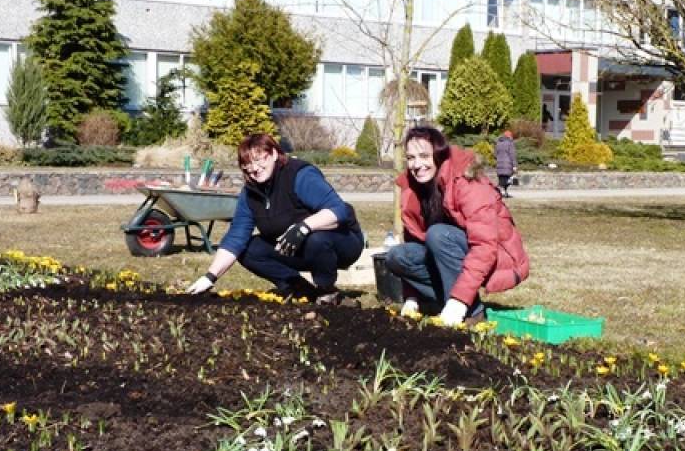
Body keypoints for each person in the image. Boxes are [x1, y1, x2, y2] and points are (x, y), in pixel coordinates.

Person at [186, 133, 363, 302]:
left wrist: (303, 227)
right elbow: (235, 238)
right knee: (248, 249)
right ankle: (299, 288)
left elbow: (339, 210)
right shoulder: (250, 193)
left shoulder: (300, 175)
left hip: (343, 242)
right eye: (248, 164)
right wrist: (209, 277)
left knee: (316, 239)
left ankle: (327, 290)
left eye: (259, 159)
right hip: (295, 248)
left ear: (274, 154)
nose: (254, 168)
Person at [385, 125, 529, 326]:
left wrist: (459, 302)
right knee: (397, 256)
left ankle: (470, 311)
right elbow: (413, 239)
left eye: (424, 156)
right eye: (410, 158)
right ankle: (445, 299)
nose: (417, 165)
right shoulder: (413, 188)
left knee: (438, 235)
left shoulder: (467, 181)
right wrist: (411, 296)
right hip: (450, 252)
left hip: (495, 254)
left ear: (438, 154)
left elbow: (485, 246)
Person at [494, 130, 517, 198]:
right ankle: (499, 191)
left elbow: (495, 154)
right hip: (507, 165)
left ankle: (505, 193)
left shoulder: (498, 143)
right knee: (506, 180)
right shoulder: (510, 143)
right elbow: (512, 155)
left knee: (502, 179)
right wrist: (515, 165)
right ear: (510, 136)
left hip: (499, 165)